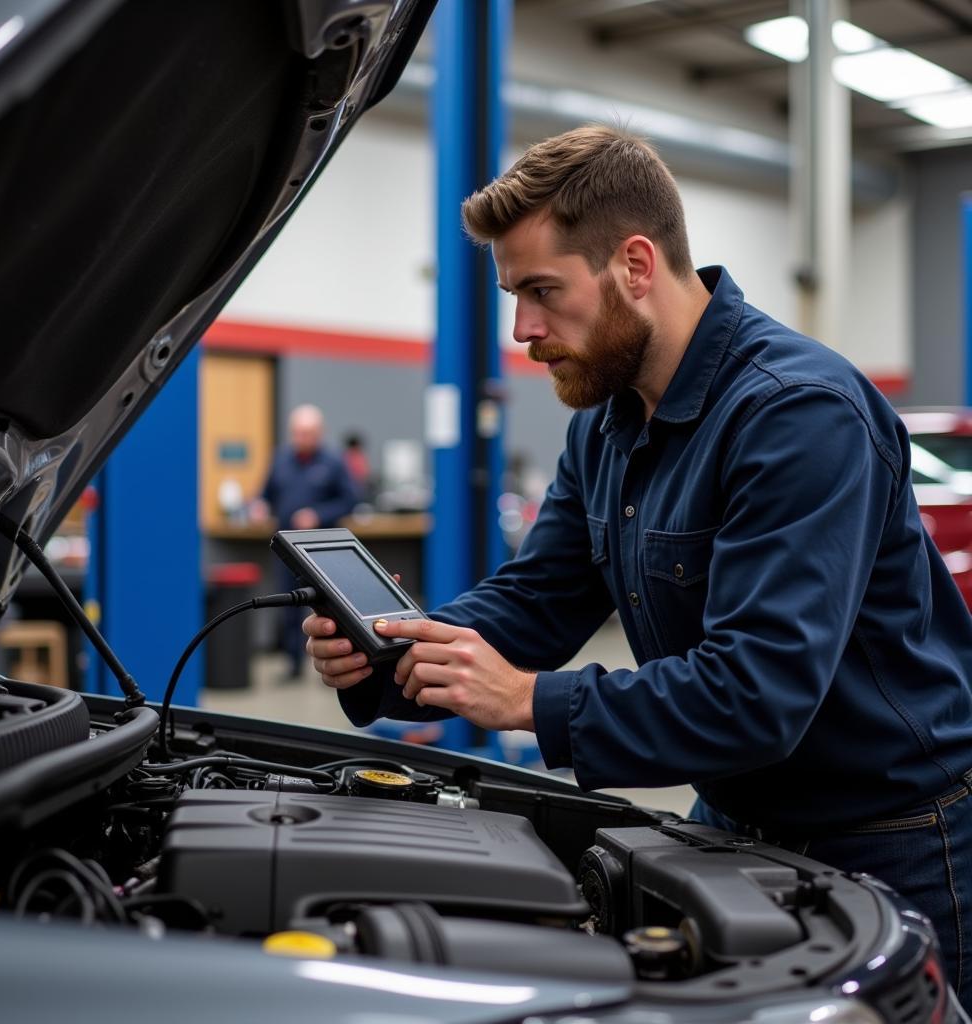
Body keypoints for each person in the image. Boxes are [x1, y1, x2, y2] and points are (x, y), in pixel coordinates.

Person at [302, 125, 972, 1004]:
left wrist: (529, 700)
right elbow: (538, 597)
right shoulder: (606, 425)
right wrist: (397, 658)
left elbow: (756, 693)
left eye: (542, 292)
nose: (524, 331)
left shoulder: (798, 414)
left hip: (893, 839)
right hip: (737, 819)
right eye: (513, 295)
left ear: (636, 264)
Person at [255, 404, 356, 677]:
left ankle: (341, 663)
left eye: (307, 433)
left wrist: (318, 514)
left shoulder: (333, 461)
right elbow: (266, 494)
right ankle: (293, 666)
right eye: (297, 433)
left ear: (319, 433)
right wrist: (260, 506)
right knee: (289, 606)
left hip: (322, 550)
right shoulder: (280, 459)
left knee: (332, 608)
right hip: (287, 549)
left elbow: (350, 500)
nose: (301, 438)